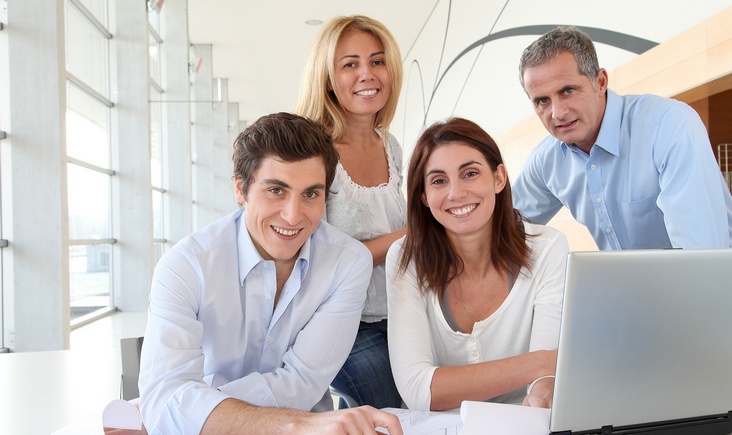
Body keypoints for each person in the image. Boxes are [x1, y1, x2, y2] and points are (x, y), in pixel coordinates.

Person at [138, 112, 402, 435]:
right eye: (276, 190)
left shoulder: (348, 263)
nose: (293, 216)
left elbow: (302, 383)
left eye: (311, 194)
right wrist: (178, 405)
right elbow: (164, 399)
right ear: (240, 188)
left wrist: (197, 407)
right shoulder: (185, 266)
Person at [386, 117, 569, 412]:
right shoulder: (406, 259)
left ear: (499, 178)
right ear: (423, 196)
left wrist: (541, 389)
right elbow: (420, 390)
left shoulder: (548, 248)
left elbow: (546, 377)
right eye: (438, 181)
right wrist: (540, 362)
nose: (456, 193)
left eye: (470, 173)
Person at [512, 26, 732, 250]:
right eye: (542, 101)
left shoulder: (669, 126)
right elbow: (502, 231)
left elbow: (700, 254)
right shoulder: (546, 160)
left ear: (600, 82)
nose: (557, 113)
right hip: (628, 284)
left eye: (567, 91)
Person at [296, 15, 406, 409]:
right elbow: (319, 257)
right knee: (392, 411)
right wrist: (411, 237)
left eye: (377, 61)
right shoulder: (314, 152)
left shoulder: (390, 145)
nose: (368, 74)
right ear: (328, 78)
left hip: (399, 310)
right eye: (350, 64)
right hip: (343, 322)